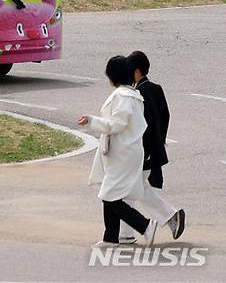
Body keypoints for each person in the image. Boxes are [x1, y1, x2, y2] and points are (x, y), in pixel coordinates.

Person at [78, 55, 158, 248]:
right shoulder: (131, 95)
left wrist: (92, 121)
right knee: (110, 193)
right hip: (125, 151)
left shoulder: (123, 96)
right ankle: (111, 237)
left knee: (109, 195)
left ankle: (145, 225)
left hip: (124, 152)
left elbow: (117, 124)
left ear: (113, 76)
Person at [118, 50, 185, 243]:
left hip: (142, 151)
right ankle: (126, 234)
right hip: (153, 149)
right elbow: (165, 117)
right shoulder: (156, 89)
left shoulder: (138, 94)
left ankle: (170, 216)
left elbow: (142, 125)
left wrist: (143, 150)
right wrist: (159, 142)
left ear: (136, 71)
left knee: (131, 188)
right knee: (131, 189)